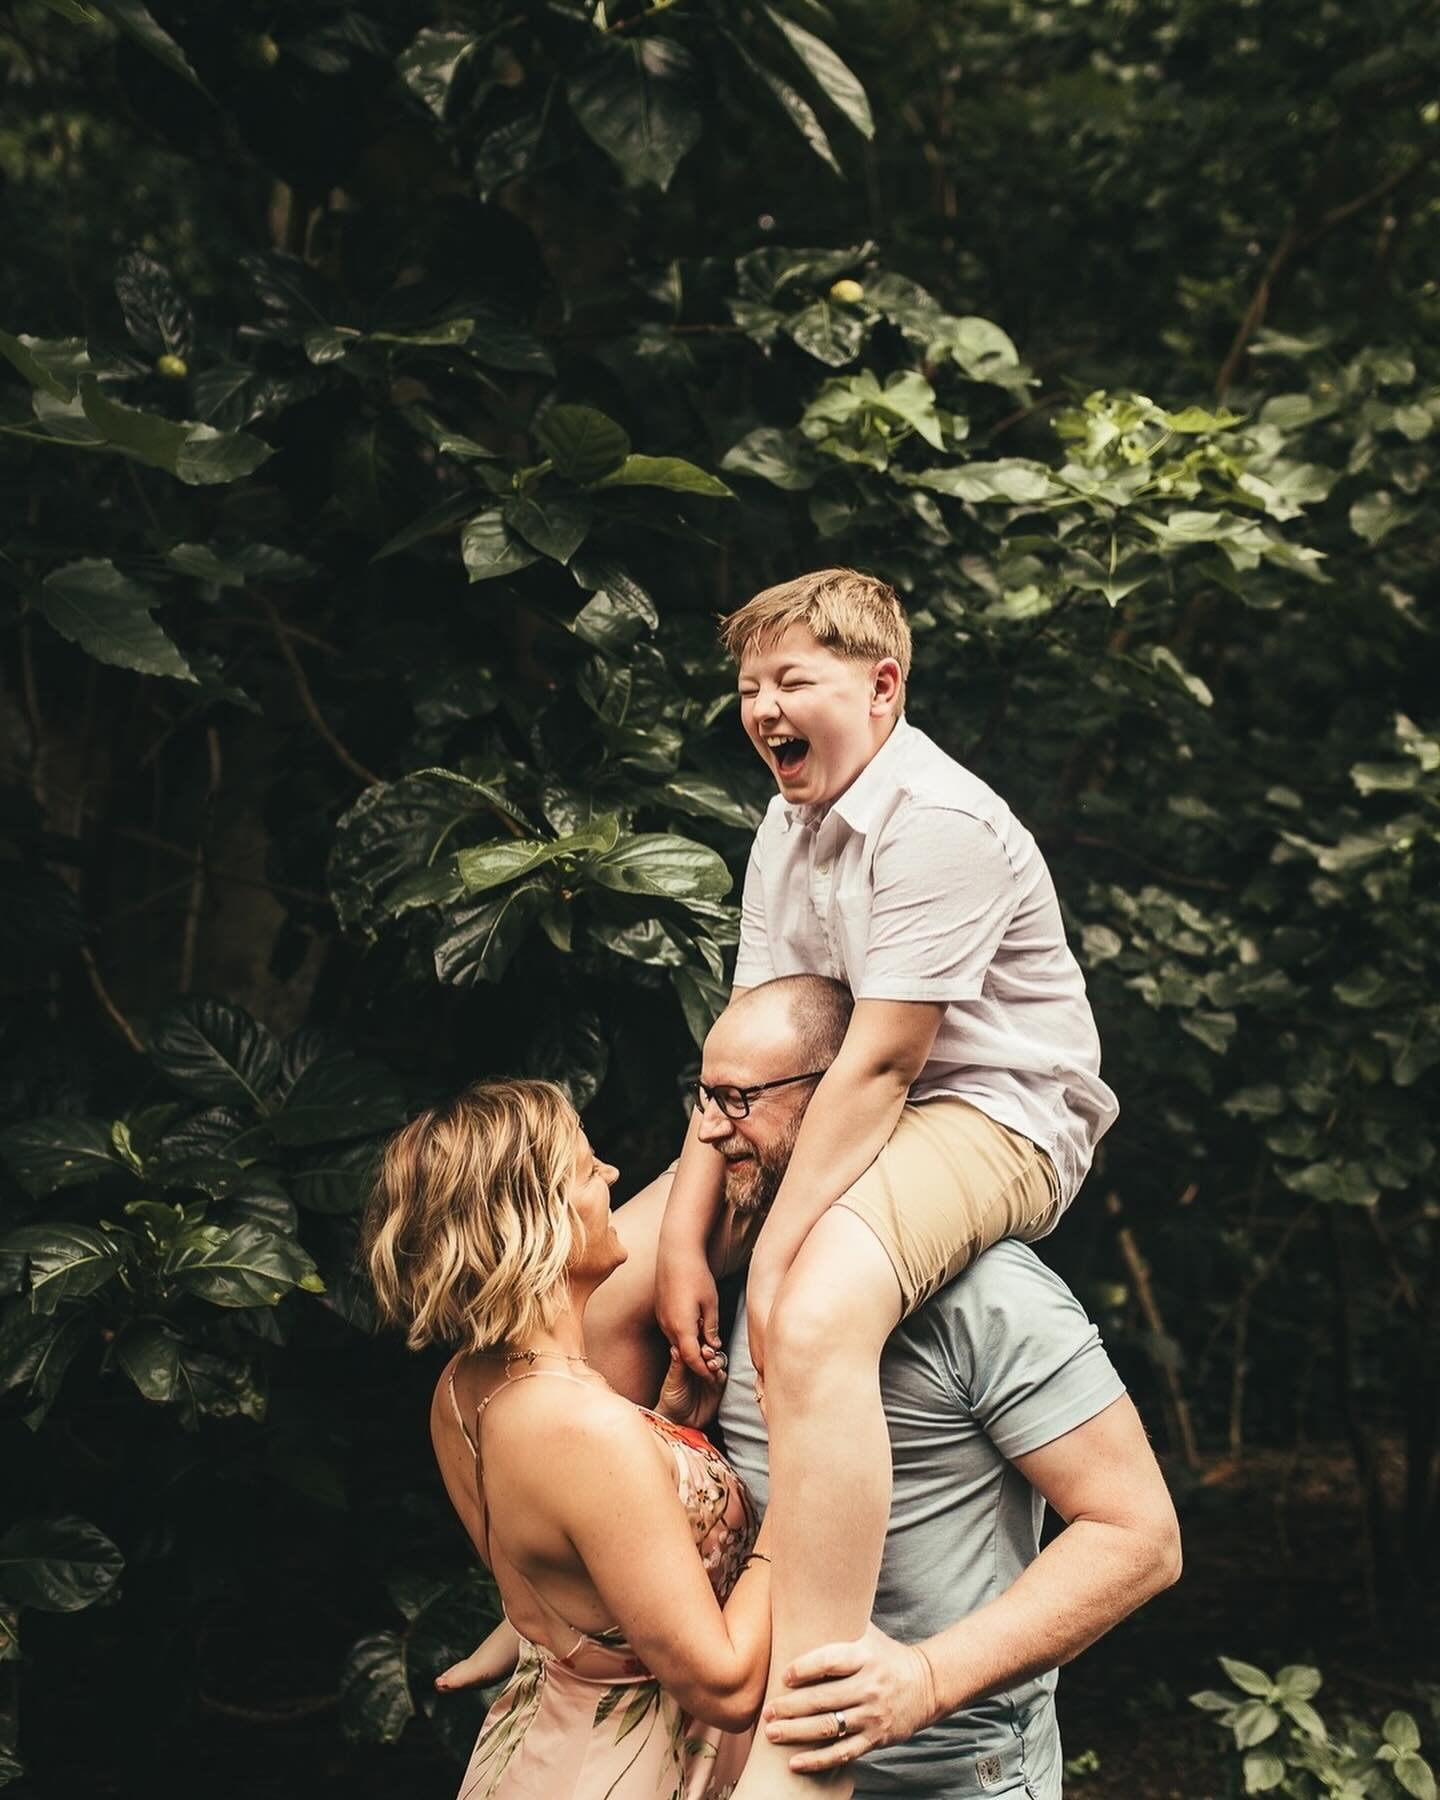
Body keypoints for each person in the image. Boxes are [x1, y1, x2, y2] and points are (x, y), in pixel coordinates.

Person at [654, 570, 1121, 1797]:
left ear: (881, 683)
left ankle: (806, 1739)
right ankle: (580, 1638)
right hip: (844, 1097)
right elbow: (757, 1045)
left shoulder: (937, 821)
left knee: (814, 1312)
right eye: (749, 687)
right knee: (597, 1262)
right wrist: (680, 1240)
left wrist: (773, 1262)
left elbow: (886, 1059)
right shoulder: (785, 825)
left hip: (994, 1115)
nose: (762, 707)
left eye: (791, 680)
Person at [589, 977, 1180, 1799]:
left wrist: (927, 1680)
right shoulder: (734, 1275)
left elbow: (1139, 1537)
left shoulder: (991, 1288)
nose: (711, 1131)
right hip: (748, 1767)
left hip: (953, 1775)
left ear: (839, 1095)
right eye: (703, 1097)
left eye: (738, 1099)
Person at [364, 1078, 773, 1800]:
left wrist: (667, 1426)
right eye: (589, 1170)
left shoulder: (466, 1385)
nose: (611, 1176)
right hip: (621, 1772)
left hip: (543, 1745)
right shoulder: (581, 1431)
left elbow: (577, 1575)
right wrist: (806, 1489)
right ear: (540, 1219)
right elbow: (726, 1685)